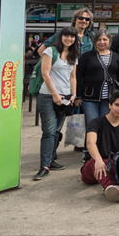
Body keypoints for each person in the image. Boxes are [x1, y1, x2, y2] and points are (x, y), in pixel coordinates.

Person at [34, 27, 80, 180]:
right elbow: (45, 74)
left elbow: (72, 76)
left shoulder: (74, 54)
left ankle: (50, 160)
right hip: (48, 96)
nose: (69, 39)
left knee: (56, 131)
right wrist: (54, 94)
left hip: (66, 98)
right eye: (66, 36)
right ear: (61, 37)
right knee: (48, 131)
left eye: (72, 37)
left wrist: (73, 94)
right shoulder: (51, 51)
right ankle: (44, 166)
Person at [77, 30, 119, 152]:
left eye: (105, 40)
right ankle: (89, 151)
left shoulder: (115, 56)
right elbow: (78, 76)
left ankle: (103, 149)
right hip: (90, 97)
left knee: (105, 124)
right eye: (99, 39)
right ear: (95, 41)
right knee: (91, 124)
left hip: (109, 97)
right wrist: (78, 95)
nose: (102, 42)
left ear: (109, 41)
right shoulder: (87, 56)